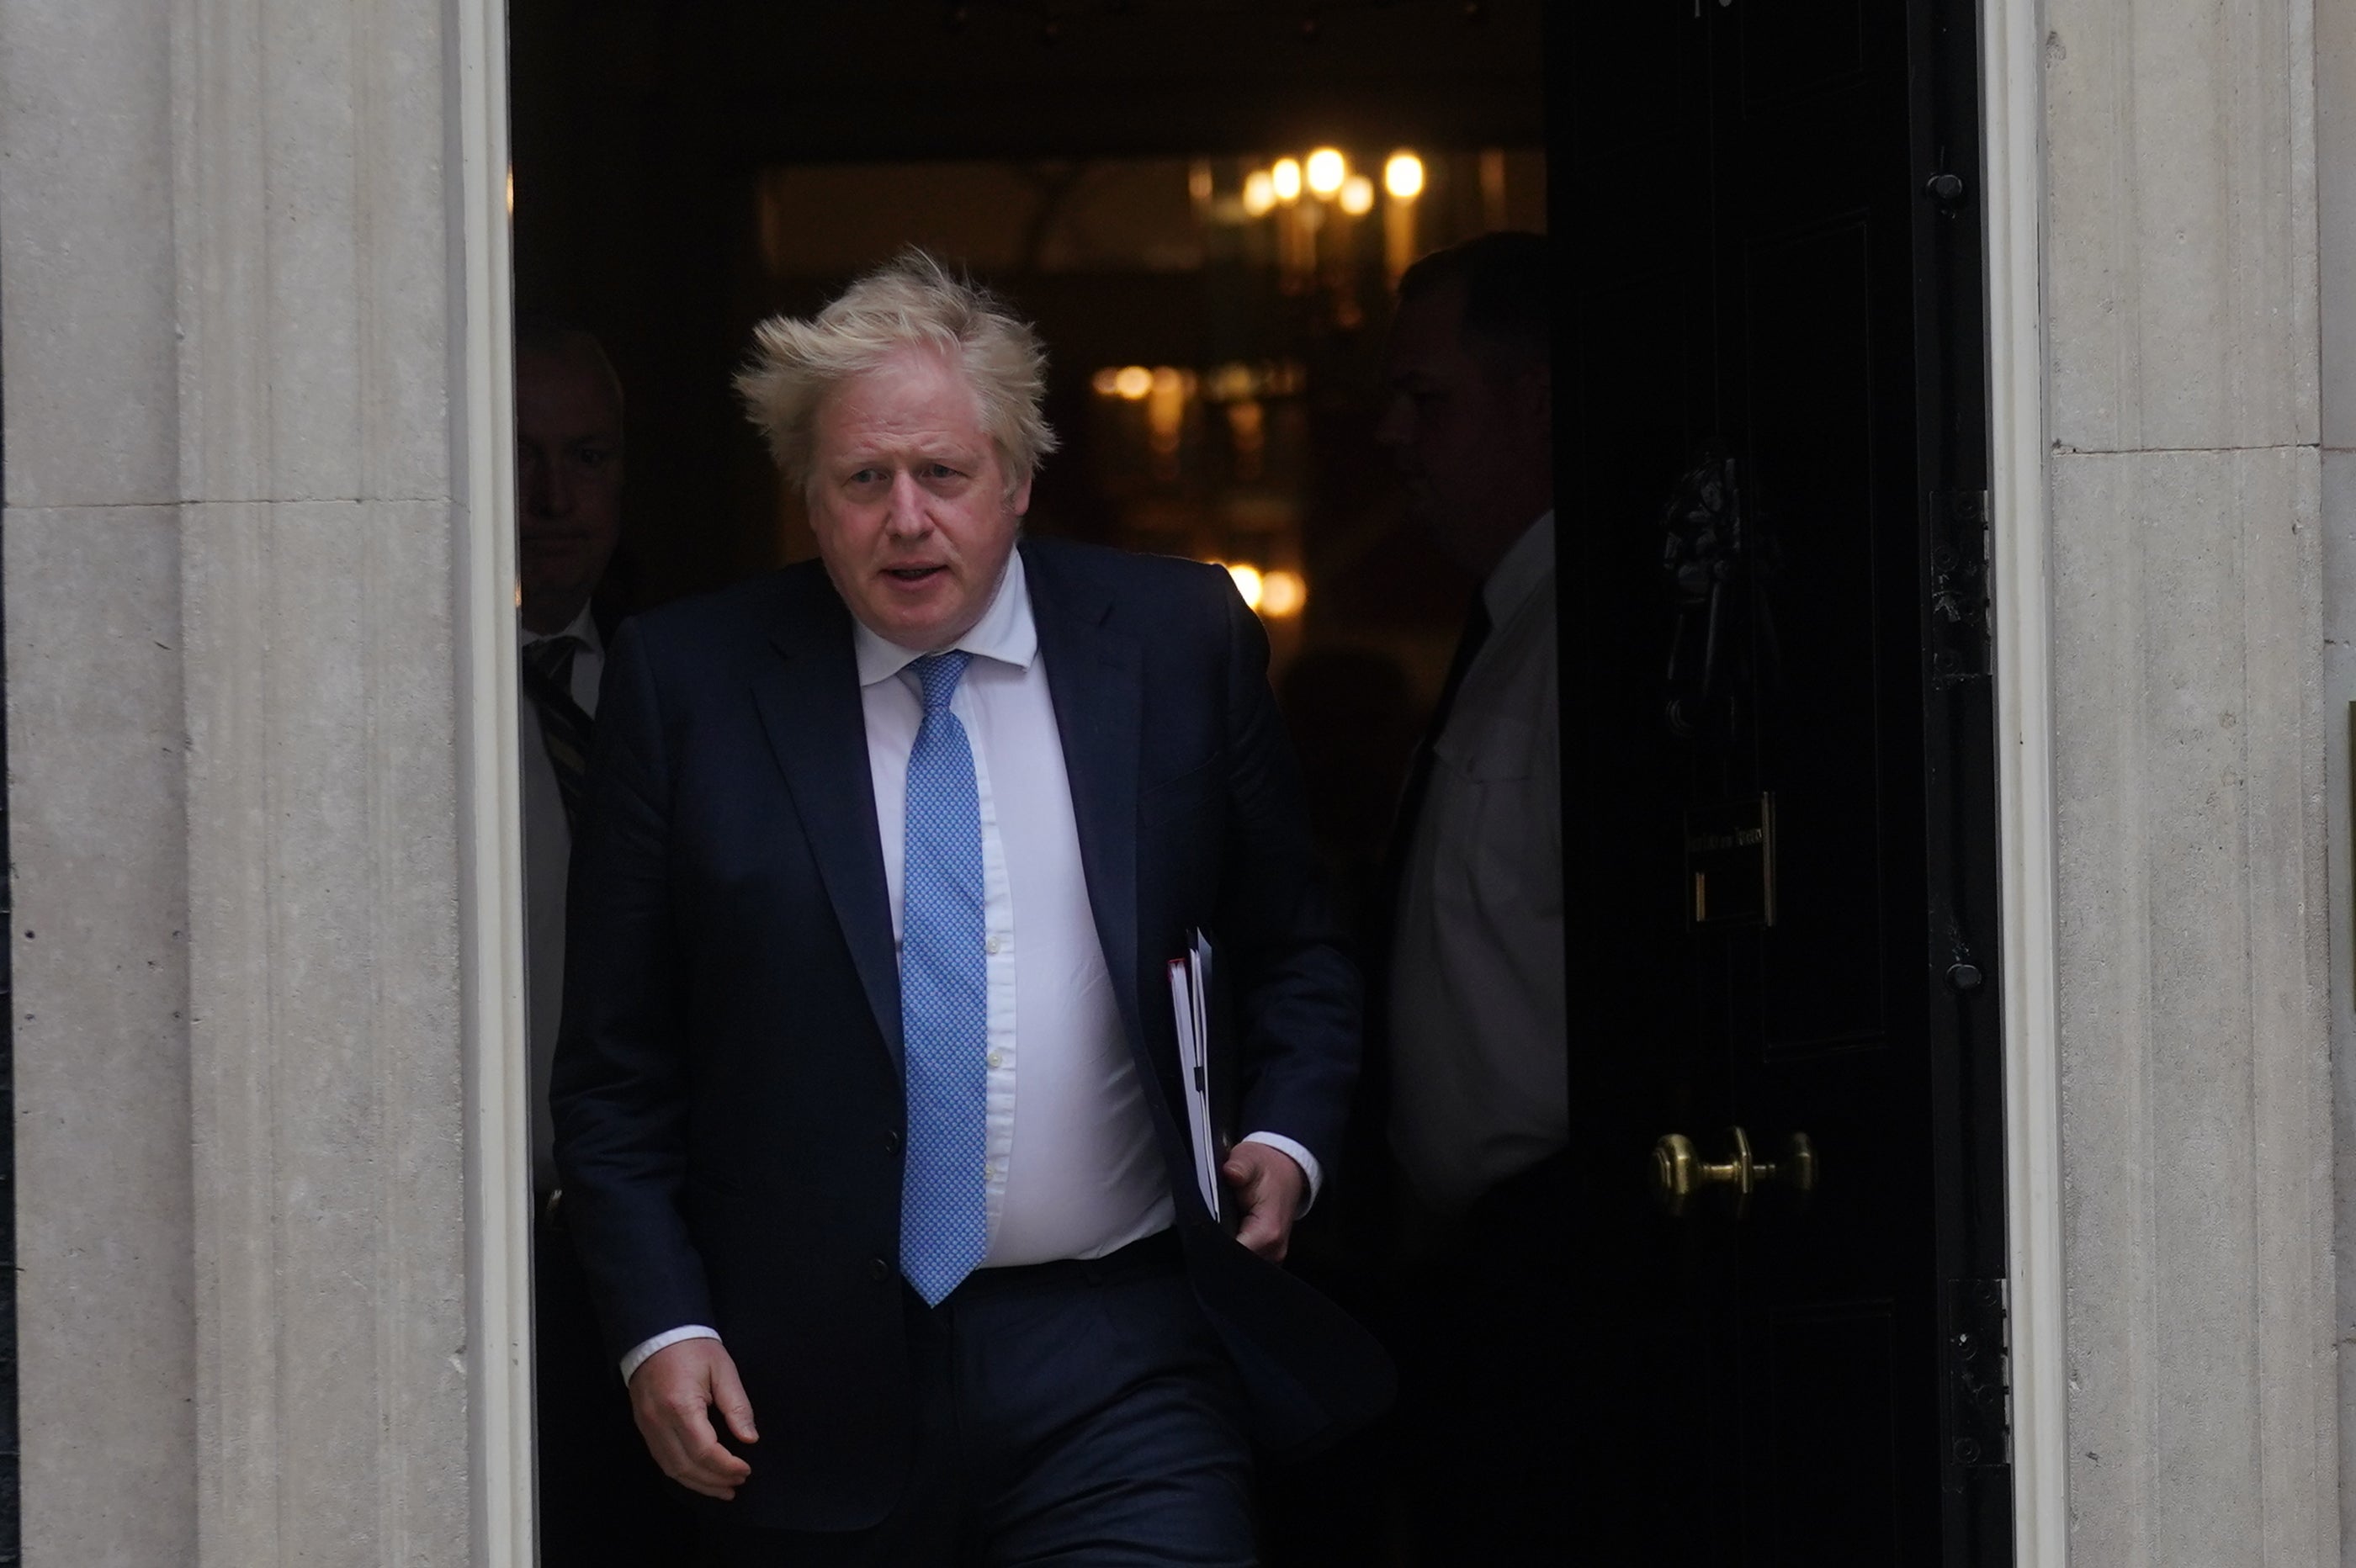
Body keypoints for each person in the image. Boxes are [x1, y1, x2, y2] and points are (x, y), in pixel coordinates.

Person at [551, 250, 1387, 1565]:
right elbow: (615, 1072)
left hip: (1122, 1358)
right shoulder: (692, 685)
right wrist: (664, 1325)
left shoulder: (1173, 641)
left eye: (942, 475)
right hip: (798, 1380)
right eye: (862, 480)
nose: (905, 519)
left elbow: (1298, 945)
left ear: (1016, 480)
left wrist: (1285, 1136)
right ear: (808, 500)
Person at [1372, 231, 1567, 1560]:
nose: (1393, 437)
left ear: (1537, 398)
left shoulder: (1581, 645)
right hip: (1464, 1288)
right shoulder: (1509, 634)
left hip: (1566, 1278)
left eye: (1429, 400)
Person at [515, 325, 690, 1563]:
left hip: (658, 1249)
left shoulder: (674, 685)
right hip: (474, 1236)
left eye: (586, 455)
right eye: (518, 455)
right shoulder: (396, 693)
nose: (552, 496)